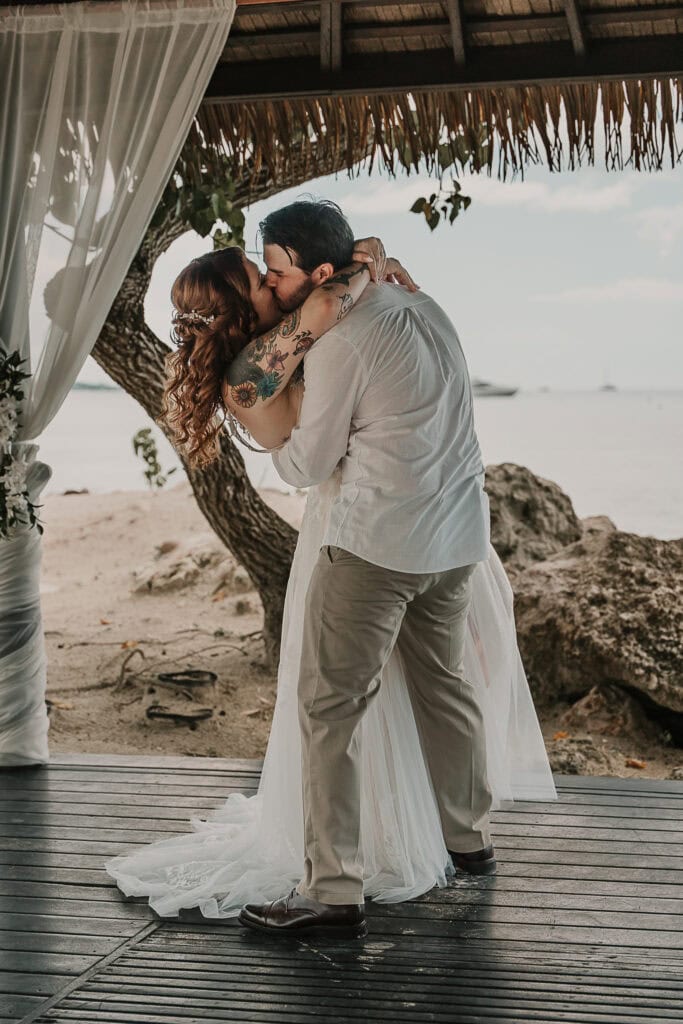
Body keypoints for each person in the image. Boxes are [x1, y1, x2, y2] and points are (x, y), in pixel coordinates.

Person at [104, 201, 557, 938]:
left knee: (327, 711)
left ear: (315, 271)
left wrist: (296, 446)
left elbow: (308, 463)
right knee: (445, 688)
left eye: (274, 270)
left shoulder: (338, 345)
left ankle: (332, 889)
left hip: (377, 546)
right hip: (456, 540)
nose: (276, 286)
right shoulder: (421, 302)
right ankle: (468, 840)